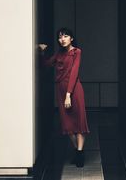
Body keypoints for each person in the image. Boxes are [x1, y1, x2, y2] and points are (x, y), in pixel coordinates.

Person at [38, 27, 90, 168]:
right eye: (60, 37)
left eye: (65, 36)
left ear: (71, 38)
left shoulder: (76, 52)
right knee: (67, 125)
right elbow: (46, 65)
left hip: (74, 91)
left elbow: (74, 72)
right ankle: (78, 152)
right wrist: (42, 52)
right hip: (61, 90)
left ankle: (79, 154)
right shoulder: (58, 54)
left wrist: (69, 95)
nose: (62, 39)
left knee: (79, 123)